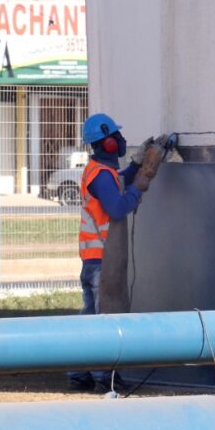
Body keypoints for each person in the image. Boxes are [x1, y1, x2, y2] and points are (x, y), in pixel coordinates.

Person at [68, 113, 154, 391]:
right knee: (105, 318)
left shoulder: (101, 171)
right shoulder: (99, 176)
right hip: (101, 260)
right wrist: (137, 190)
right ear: (106, 142)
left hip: (96, 259)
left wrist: (137, 164)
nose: (121, 141)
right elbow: (117, 207)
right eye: (117, 137)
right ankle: (104, 377)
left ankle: (78, 373)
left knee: (90, 317)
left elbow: (119, 180)